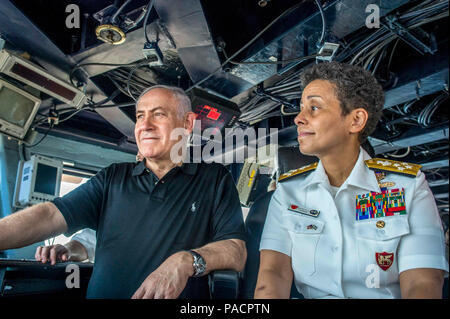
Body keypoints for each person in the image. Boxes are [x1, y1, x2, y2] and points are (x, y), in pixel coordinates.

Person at [0, 85, 247, 299]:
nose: (145, 125)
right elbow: (51, 216)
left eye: (158, 114)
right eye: (140, 116)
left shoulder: (214, 179)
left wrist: (185, 261)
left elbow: (236, 250)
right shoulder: (112, 177)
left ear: (187, 123)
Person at [254, 62, 448, 299]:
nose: (298, 118)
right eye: (301, 108)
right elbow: (273, 275)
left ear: (355, 120)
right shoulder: (288, 192)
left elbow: (422, 283)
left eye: (314, 108)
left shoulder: (407, 187)